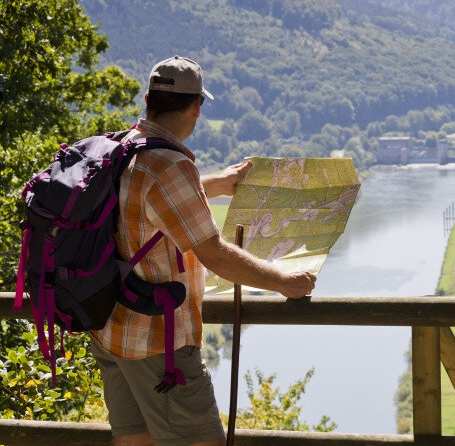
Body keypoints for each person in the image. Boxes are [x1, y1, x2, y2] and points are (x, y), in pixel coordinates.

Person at [90, 55, 317, 446]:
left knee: (134, 441)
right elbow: (213, 253)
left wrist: (216, 183)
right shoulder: (170, 165)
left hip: (111, 329)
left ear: (148, 100)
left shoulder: (123, 147)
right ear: (196, 107)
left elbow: (146, 202)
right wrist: (283, 280)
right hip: (156, 341)